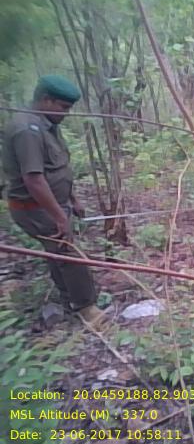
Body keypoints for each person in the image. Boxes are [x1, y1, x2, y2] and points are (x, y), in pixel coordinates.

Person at [2, 75, 107, 330]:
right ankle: (87, 309)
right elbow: (34, 179)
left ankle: (69, 298)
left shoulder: (47, 124)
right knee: (68, 252)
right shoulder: (27, 130)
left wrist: (73, 200)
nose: (66, 113)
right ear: (46, 100)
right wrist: (60, 216)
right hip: (34, 208)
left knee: (57, 251)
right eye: (63, 107)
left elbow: (56, 169)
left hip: (51, 204)